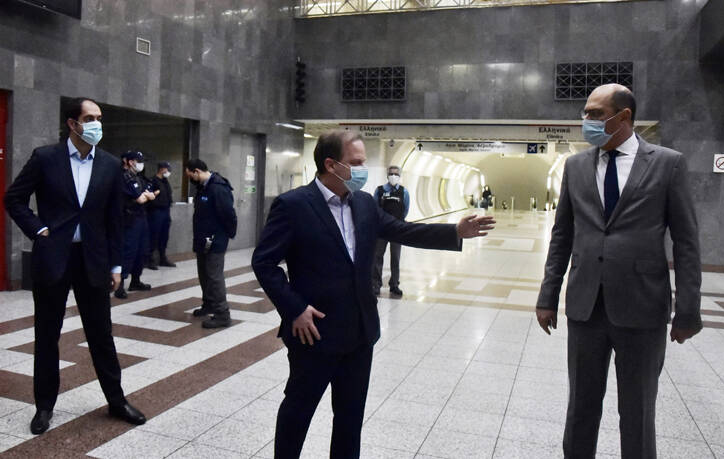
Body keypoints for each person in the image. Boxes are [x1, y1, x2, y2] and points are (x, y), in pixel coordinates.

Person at [251, 131, 495, 459]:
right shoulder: (294, 205)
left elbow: (404, 231)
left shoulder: (364, 203)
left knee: (350, 420)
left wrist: (455, 231)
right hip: (314, 332)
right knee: (298, 412)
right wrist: (294, 308)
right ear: (330, 165)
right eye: (356, 163)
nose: (363, 169)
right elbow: (264, 262)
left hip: (359, 333)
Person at [536, 84, 701, 459]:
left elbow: (687, 242)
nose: (587, 120)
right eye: (586, 113)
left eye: (595, 114)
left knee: (638, 412)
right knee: (580, 407)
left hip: (642, 308)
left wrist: (688, 311)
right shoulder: (576, 166)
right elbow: (562, 236)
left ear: (624, 117)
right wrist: (547, 296)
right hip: (585, 307)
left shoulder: (667, 164)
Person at [4, 97, 146, 435]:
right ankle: (44, 406)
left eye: (99, 118)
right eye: (89, 118)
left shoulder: (109, 164)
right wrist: (38, 228)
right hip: (54, 257)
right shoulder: (45, 158)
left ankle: (116, 400)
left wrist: (116, 265)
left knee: (101, 334)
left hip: (93, 259)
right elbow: (13, 198)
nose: (97, 124)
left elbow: (114, 219)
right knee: (46, 335)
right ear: (72, 123)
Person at [185, 159, 237, 329]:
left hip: (215, 240)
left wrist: (226, 235)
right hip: (202, 239)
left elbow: (228, 214)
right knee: (204, 274)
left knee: (214, 277)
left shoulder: (218, 188)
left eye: (190, 175)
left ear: (197, 171)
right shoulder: (203, 187)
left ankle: (222, 314)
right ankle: (209, 304)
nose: (190, 179)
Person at [114, 150, 155, 299]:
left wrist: (146, 195)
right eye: (139, 161)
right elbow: (141, 198)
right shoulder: (123, 176)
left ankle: (136, 280)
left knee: (141, 250)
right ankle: (120, 284)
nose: (142, 164)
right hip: (129, 219)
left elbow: (148, 192)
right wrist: (147, 196)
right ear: (131, 162)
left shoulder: (138, 177)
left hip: (140, 217)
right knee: (128, 250)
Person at [371, 165, 410, 297]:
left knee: (395, 258)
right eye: (391, 174)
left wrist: (399, 222)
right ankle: (376, 284)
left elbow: (405, 209)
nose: (393, 176)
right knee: (377, 257)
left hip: (397, 229)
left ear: (399, 176)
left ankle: (394, 285)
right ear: (387, 175)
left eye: (396, 174)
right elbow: (375, 208)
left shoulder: (404, 192)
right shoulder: (380, 191)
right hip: (381, 230)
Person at [147, 161, 176, 269]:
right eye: (167, 169)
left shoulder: (165, 181)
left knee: (164, 236)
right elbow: (148, 197)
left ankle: (162, 258)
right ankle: (150, 260)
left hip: (165, 211)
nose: (169, 172)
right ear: (162, 169)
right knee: (154, 236)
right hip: (156, 212)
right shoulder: (152, 181)